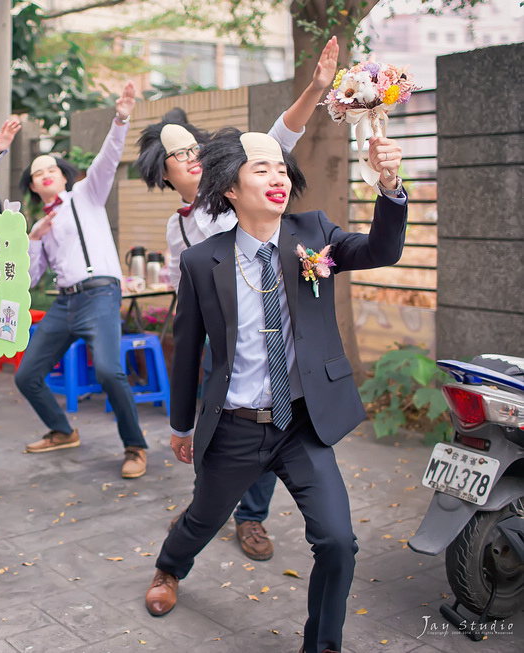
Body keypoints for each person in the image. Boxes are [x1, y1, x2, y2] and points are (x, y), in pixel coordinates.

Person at [143, 128, 407, 653]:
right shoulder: (203, 261)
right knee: (201, 517)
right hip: (235, 425)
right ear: (230, 188)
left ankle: (323, 645)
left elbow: (382, 249)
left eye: (281, 169)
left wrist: (390, 184)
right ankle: (169, 568)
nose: (277, 178)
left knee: (337, 541)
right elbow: (188, 345)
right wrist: (180, 425)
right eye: (261, 170)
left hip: (302, 424)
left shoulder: (315, 233)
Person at [134, 36, 340, 562]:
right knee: (227, 420)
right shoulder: (176, 225)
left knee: (273, 402)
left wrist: (316, 90)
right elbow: (186, 280)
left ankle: (251, 518)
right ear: (165, 173)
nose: (192, 159)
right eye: (179, 156)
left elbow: (278, 139)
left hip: (262, 310)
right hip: (213, 323)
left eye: (195, 150)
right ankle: (212, 505)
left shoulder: (233, 202)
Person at [14, 81, 148, 480]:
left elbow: (108, 160)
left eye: (51, 168)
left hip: (100, 295)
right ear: (34, 186)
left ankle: (135, 446)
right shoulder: (37, 224)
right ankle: (61, 430)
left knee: (109, 371)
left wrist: (121, 118)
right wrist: (32, 239)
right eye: (38, 174)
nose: (45, 175)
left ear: (62, 174)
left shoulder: (86, 195)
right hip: (63, 302)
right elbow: (31, 277)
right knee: (26, 375)